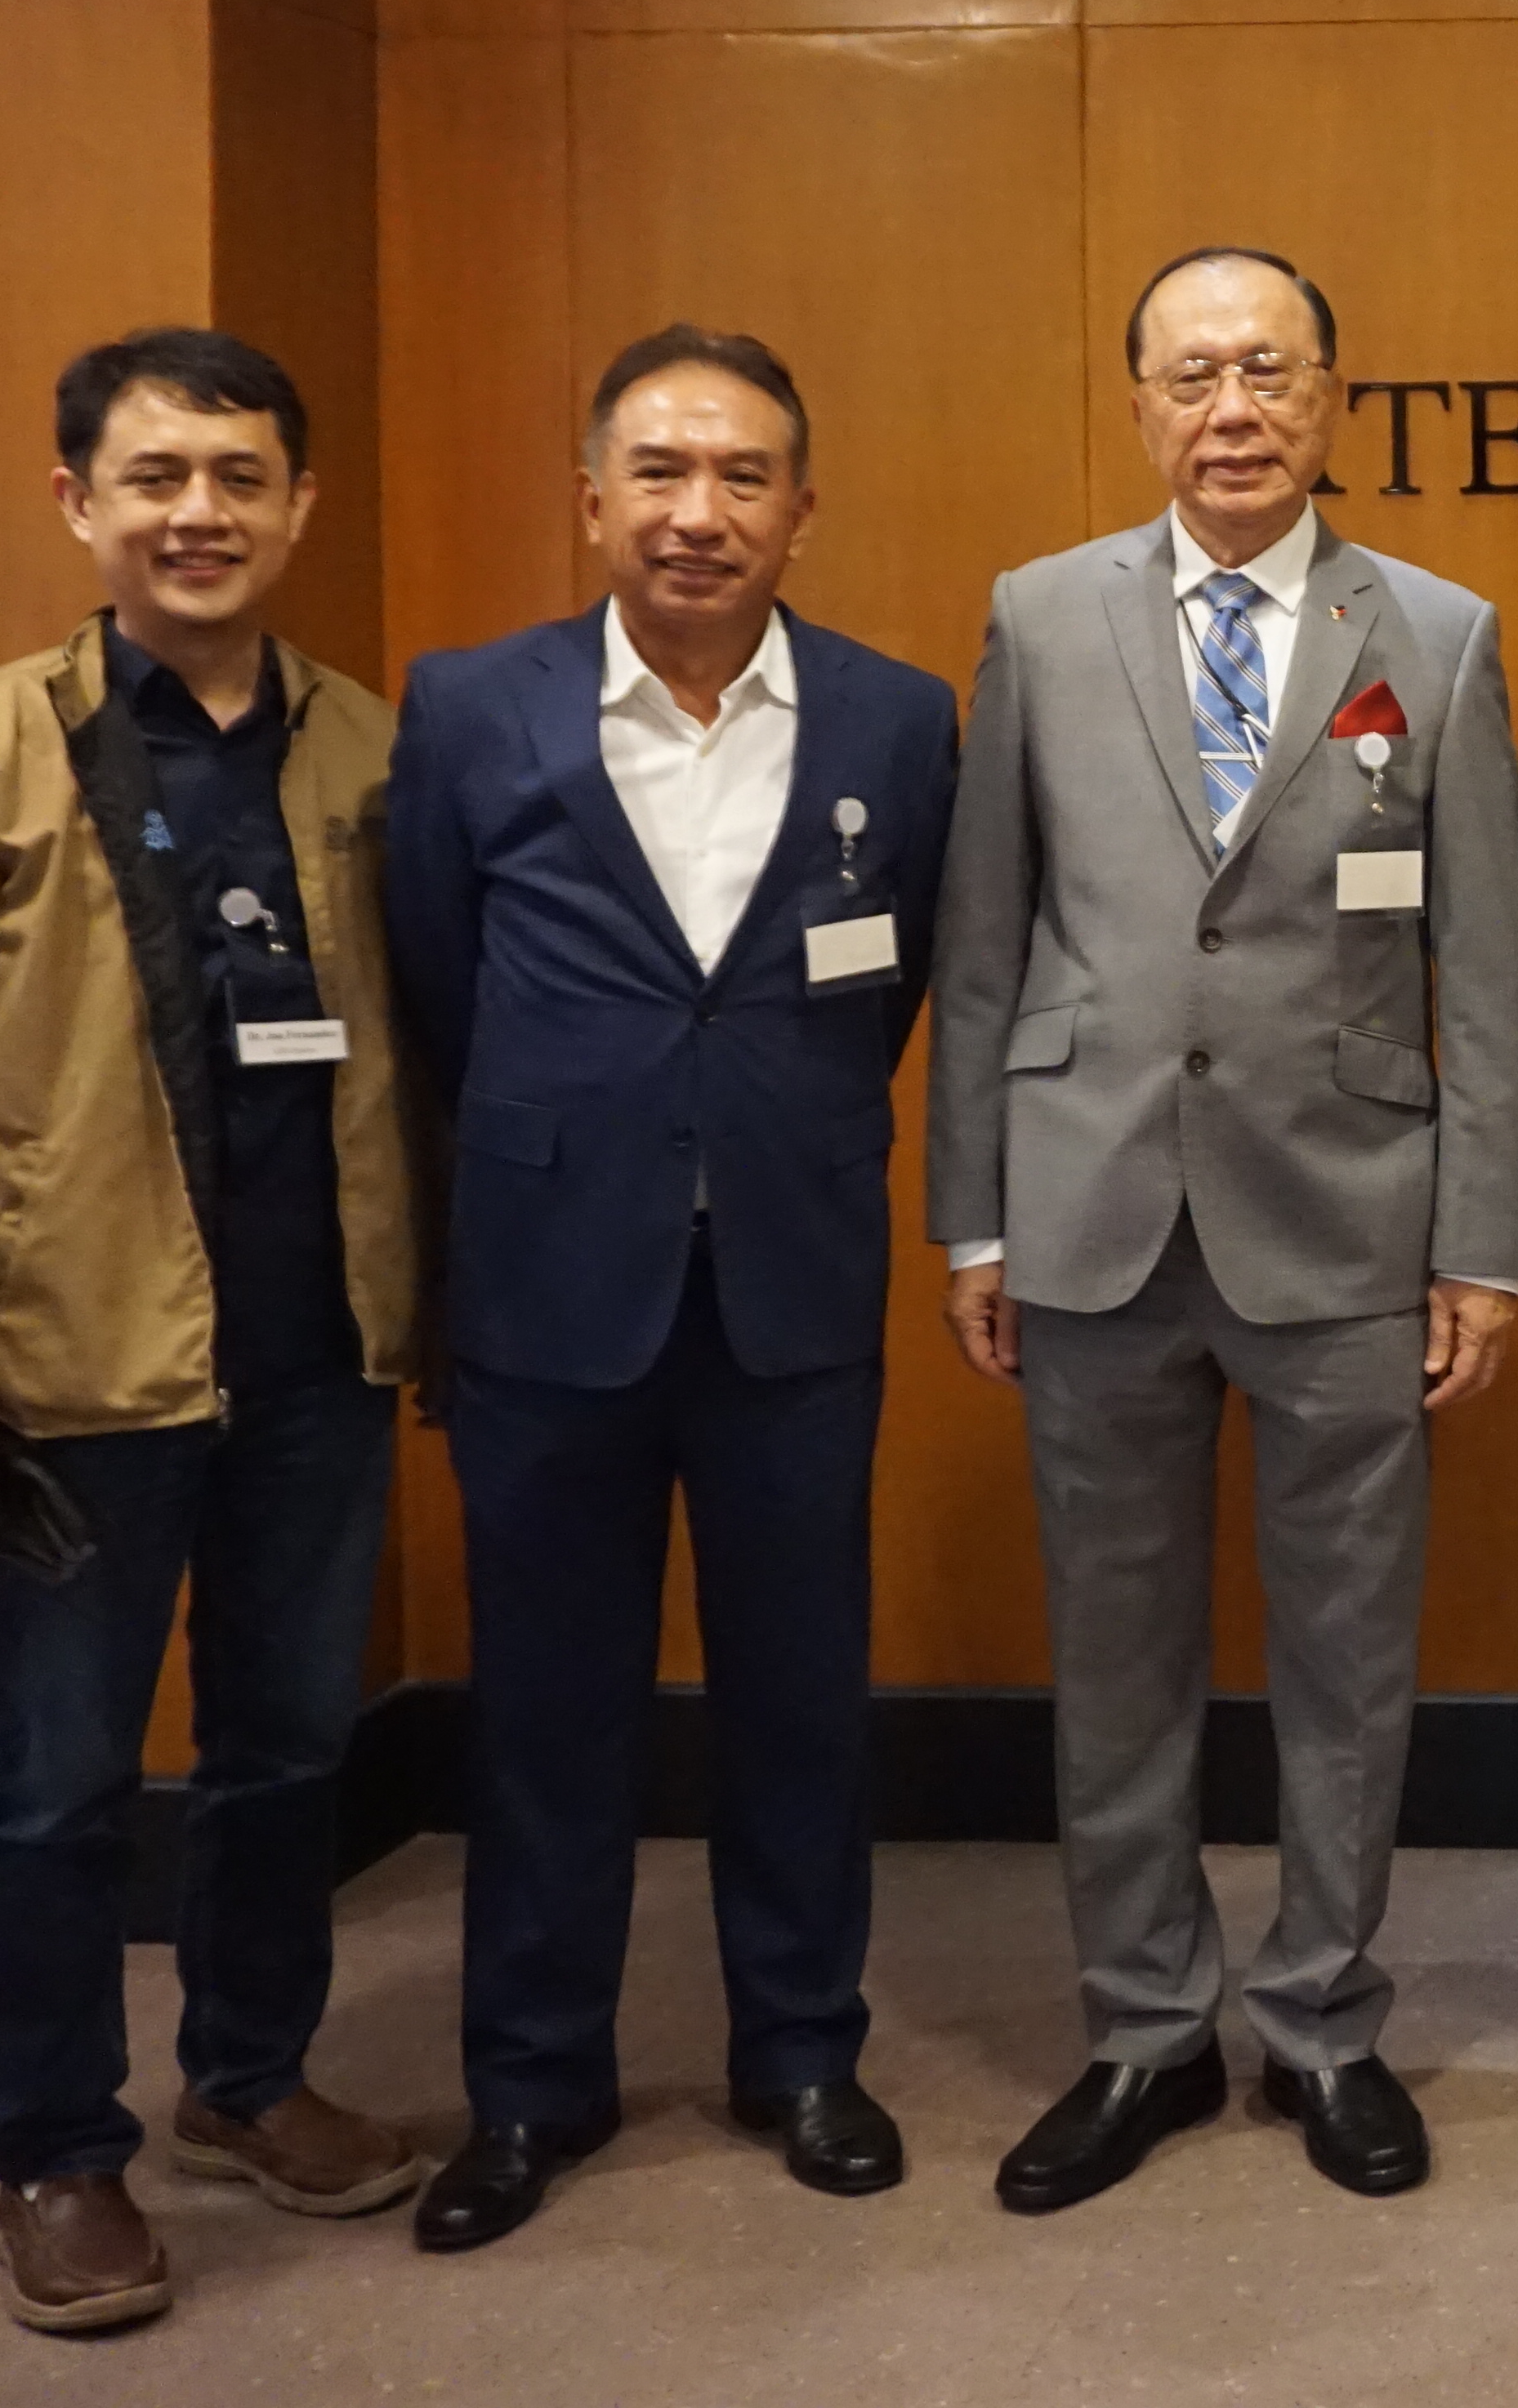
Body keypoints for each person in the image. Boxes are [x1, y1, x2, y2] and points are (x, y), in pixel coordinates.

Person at [0, 330, 426, 2335]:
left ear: (299, 504)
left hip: (316, 1352)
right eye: (155, 476)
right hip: (74, 1365)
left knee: (285, 1748)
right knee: (55, 1783)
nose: (200, 513)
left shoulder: (373, 748)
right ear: (78, 502)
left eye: (241, 475)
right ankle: (57, 2148)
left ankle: (246, 2077)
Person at [927, 245, 1518, 2212]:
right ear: (1137, 404)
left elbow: (1485, 969)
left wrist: (1487, 1240)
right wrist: (967, 1214)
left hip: (1351, 1216)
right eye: (1193, 373)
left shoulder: (1431, 634)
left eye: (1271, 368)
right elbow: (982, 936)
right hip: (1089, 1206)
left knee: (1349, 1656)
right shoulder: (1038, 615)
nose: (1234, 407)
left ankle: (1328, 2020)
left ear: (1334, 395)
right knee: (1116, 1650)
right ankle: (1143, 2029)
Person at [382, 327, 956, 2250]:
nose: (698, 512)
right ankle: (532, 2082)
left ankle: (802, 2047)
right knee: (549, 1705)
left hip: (794, 1276)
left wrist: (754, 1136)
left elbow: (893, 990)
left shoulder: (897, 717)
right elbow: (440, 992)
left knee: (804, 1691)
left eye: (742, 475)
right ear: (593, 496)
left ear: (803, 504)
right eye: (659, 470)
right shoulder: (472, 708)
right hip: (552, 1282)